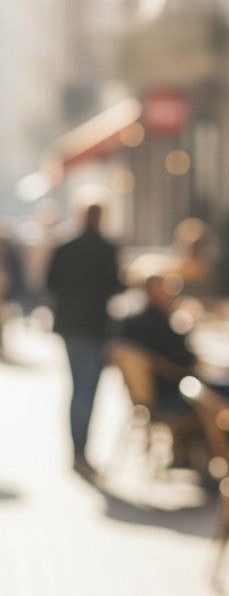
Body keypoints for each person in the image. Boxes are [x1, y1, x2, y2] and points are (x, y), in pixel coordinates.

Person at [45, 201, 124, 476]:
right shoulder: (105, 248)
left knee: (78, 388)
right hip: (92, 328)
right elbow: (115, 285)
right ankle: (80, 451)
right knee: (86, 391)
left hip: (71, 326)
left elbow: (50, 284)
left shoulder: (65, 246)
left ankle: (77, 451)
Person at [118, 274, 197, 411]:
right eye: (168, 288)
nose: (173, 294)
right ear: (153, 291)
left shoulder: (134, 323)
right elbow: (185, 361)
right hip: (172, 393)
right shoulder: (157, 323)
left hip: (162, 392)